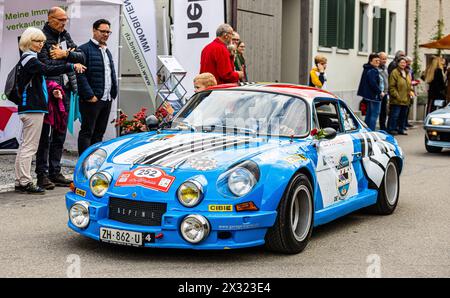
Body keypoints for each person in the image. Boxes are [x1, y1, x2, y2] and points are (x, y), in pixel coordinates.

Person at [15, 27, 85, 194]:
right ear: (28, 42)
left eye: (42, 42)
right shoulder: (30, 59)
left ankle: (20, 180)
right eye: (37, 41)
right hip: (33, 107)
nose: (41, 44)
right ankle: (24, 182)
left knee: (26, 146)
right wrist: (71, 66)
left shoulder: (28, 58)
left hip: (31, 107)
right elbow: (48, 69)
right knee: (29, 147)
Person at [36, 7, 86, 189]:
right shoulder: (41, 37)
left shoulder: (65, 36)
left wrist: (64, 54)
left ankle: (55, 172)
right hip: (48, 91)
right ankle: (41, 174)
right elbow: (45, 64)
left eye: (65, 20)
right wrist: (70, 63)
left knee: (60, 133)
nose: (63, 23)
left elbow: (81, 56)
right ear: (50, 18)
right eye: (60, 20)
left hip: (65, 90)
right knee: (45, 135)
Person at [77, 19, 118, 156]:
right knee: (87, 131)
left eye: (108, 32)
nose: (106, 34)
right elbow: (80, 75)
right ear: (94, 30)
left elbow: (110, 73)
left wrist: (113, 93)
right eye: (103, 31)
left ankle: (94, 163)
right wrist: (89, 95)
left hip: (106, 98)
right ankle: (83, 164)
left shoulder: (107, 51)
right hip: (92, 99)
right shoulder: (83, 49)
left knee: (99, 133)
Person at [387, 57, 414, 135]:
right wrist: (396, 96)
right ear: (398, 63)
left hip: (406, 98)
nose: (403, 64)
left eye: (404, 63)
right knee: (395, 115)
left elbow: (409, 84)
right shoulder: (394, 72)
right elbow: (392, 86)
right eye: (401, 62)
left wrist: (411, 91)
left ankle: (401, 129)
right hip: (397, 99)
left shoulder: (407, 72)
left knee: (403, 115)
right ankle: (392, 129)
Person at [357, 53, 383, 131]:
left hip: (369, 96)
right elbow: (373, 83)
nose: (378, 62)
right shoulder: (372, 70)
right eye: (376, 61)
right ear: (370, 61)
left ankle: (366, 130)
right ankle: (371, 131)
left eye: (379, 60)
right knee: (374, 115)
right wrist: (379, 92)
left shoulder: (367, 68)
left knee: (369, 114)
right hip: (373, 96)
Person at [378, 52, 389, 131]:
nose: (384, 61)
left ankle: (383, 127)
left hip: (385, 93)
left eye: (385, 59)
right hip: (379, 93)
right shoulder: (376, 68)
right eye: (383, 59)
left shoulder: (385, 67)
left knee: (384, 111)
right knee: (378, 111)